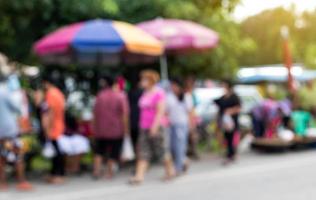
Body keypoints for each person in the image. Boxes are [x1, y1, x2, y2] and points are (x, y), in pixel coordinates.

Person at [129, 70, 174, 184]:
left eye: (144, 79)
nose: (142, 81)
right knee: (143, 150)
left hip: (157, 126)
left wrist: (155, 126)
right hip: (144, 126)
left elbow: (160, 111)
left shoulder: (159, 93)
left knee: (162, 150)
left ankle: (170, 171)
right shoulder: (144, 93)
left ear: (151, 81)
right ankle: (139, 176)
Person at [92, 75, 129, 179]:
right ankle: (109, 173)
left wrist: (94, 128)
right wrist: (126, 129)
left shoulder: (99, 96)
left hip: (101, 129)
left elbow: (95, 113)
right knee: (113, 151)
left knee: (99, 150)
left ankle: (96, 171)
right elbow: (124, 114)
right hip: (116, 129)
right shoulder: (120, 96)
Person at [0, 75, 32, 191]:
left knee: (1, 157)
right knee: (18, 155)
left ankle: (2, 183)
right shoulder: (4, 92)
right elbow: (17, 108)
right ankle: (22, 182)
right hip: (9, 129)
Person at [42, 75, 66, 184]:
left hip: (54, 127)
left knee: (56, 153)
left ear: (47, 82)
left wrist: (48, 128)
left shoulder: (50, 94)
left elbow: (50, 112)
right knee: (58, 152)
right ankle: (56, 174)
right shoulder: (59, 93)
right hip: (59, 125)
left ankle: (57, 175)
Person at [167, 78, 193, 175]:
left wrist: (191, 125)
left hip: (182, 124)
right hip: (171, 124)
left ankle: (178, 168)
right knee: (172, 147)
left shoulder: (186, 96)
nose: (173, 88)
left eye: (175, 85)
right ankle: (184, 161)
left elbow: (190, 112)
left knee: (180, 146)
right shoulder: (169, 96)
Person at [215, 80, 241, 165]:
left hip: (232, 120)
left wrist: (230, 111)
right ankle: (229, 154)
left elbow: (239, 108)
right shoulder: (222, 97)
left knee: (232, 137)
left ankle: (231, 154)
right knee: (226, 137)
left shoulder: (234, 97)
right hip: (225, 121)